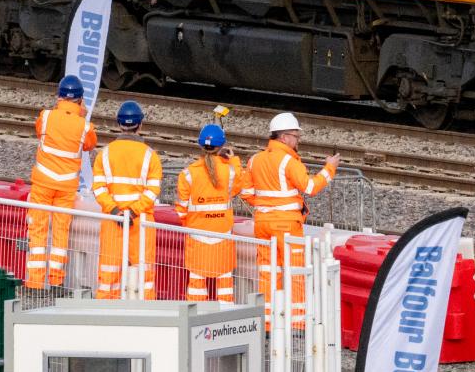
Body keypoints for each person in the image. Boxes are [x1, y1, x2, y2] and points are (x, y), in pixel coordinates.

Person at [246, 112, 339, 328]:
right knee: (295, 271)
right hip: (286, 224)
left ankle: (268, 324)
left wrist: (265, 207)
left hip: (262, 223)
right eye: (296, 136)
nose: (298, 141)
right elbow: (310, 187)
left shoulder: (254, 160)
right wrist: (330, 168)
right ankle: (297, 324)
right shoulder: (288, 161)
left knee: (268, 272)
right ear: (285, 137)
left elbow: (246, 191)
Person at [26, 77, 97, 290]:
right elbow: (89, 145)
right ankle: (57, 280)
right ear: (80, 100)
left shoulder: (46, 116)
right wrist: (80, 115)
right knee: (60, 231)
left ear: (59, 96)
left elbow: (39, 132)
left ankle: (35, 282)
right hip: (66, 187)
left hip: (43, 182)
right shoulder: (85, 126)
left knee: (38, 229)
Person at [92, 100, 161, 299]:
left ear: (118, 124)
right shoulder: (150, 156)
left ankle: (106, 310)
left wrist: (115, 211)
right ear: (140, 125)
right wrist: (133, 211)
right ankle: (144, 310)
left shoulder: (104, 154)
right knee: (144, 274)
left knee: (109, 272)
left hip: (112, 220)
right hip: (141, 222)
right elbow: (152, 192)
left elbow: (99, 189)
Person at [176, 123, 251, 303]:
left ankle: (195, 315)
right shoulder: (229, 172)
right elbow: (240, 186)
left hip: (196, 236)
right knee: (225, 280)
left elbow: (181, 210)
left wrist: (191, 227)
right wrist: (233, 160)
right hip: (223, 235)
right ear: (222, 146)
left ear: (200, 145)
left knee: (196, 281)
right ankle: (225, 314)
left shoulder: (187, 174)